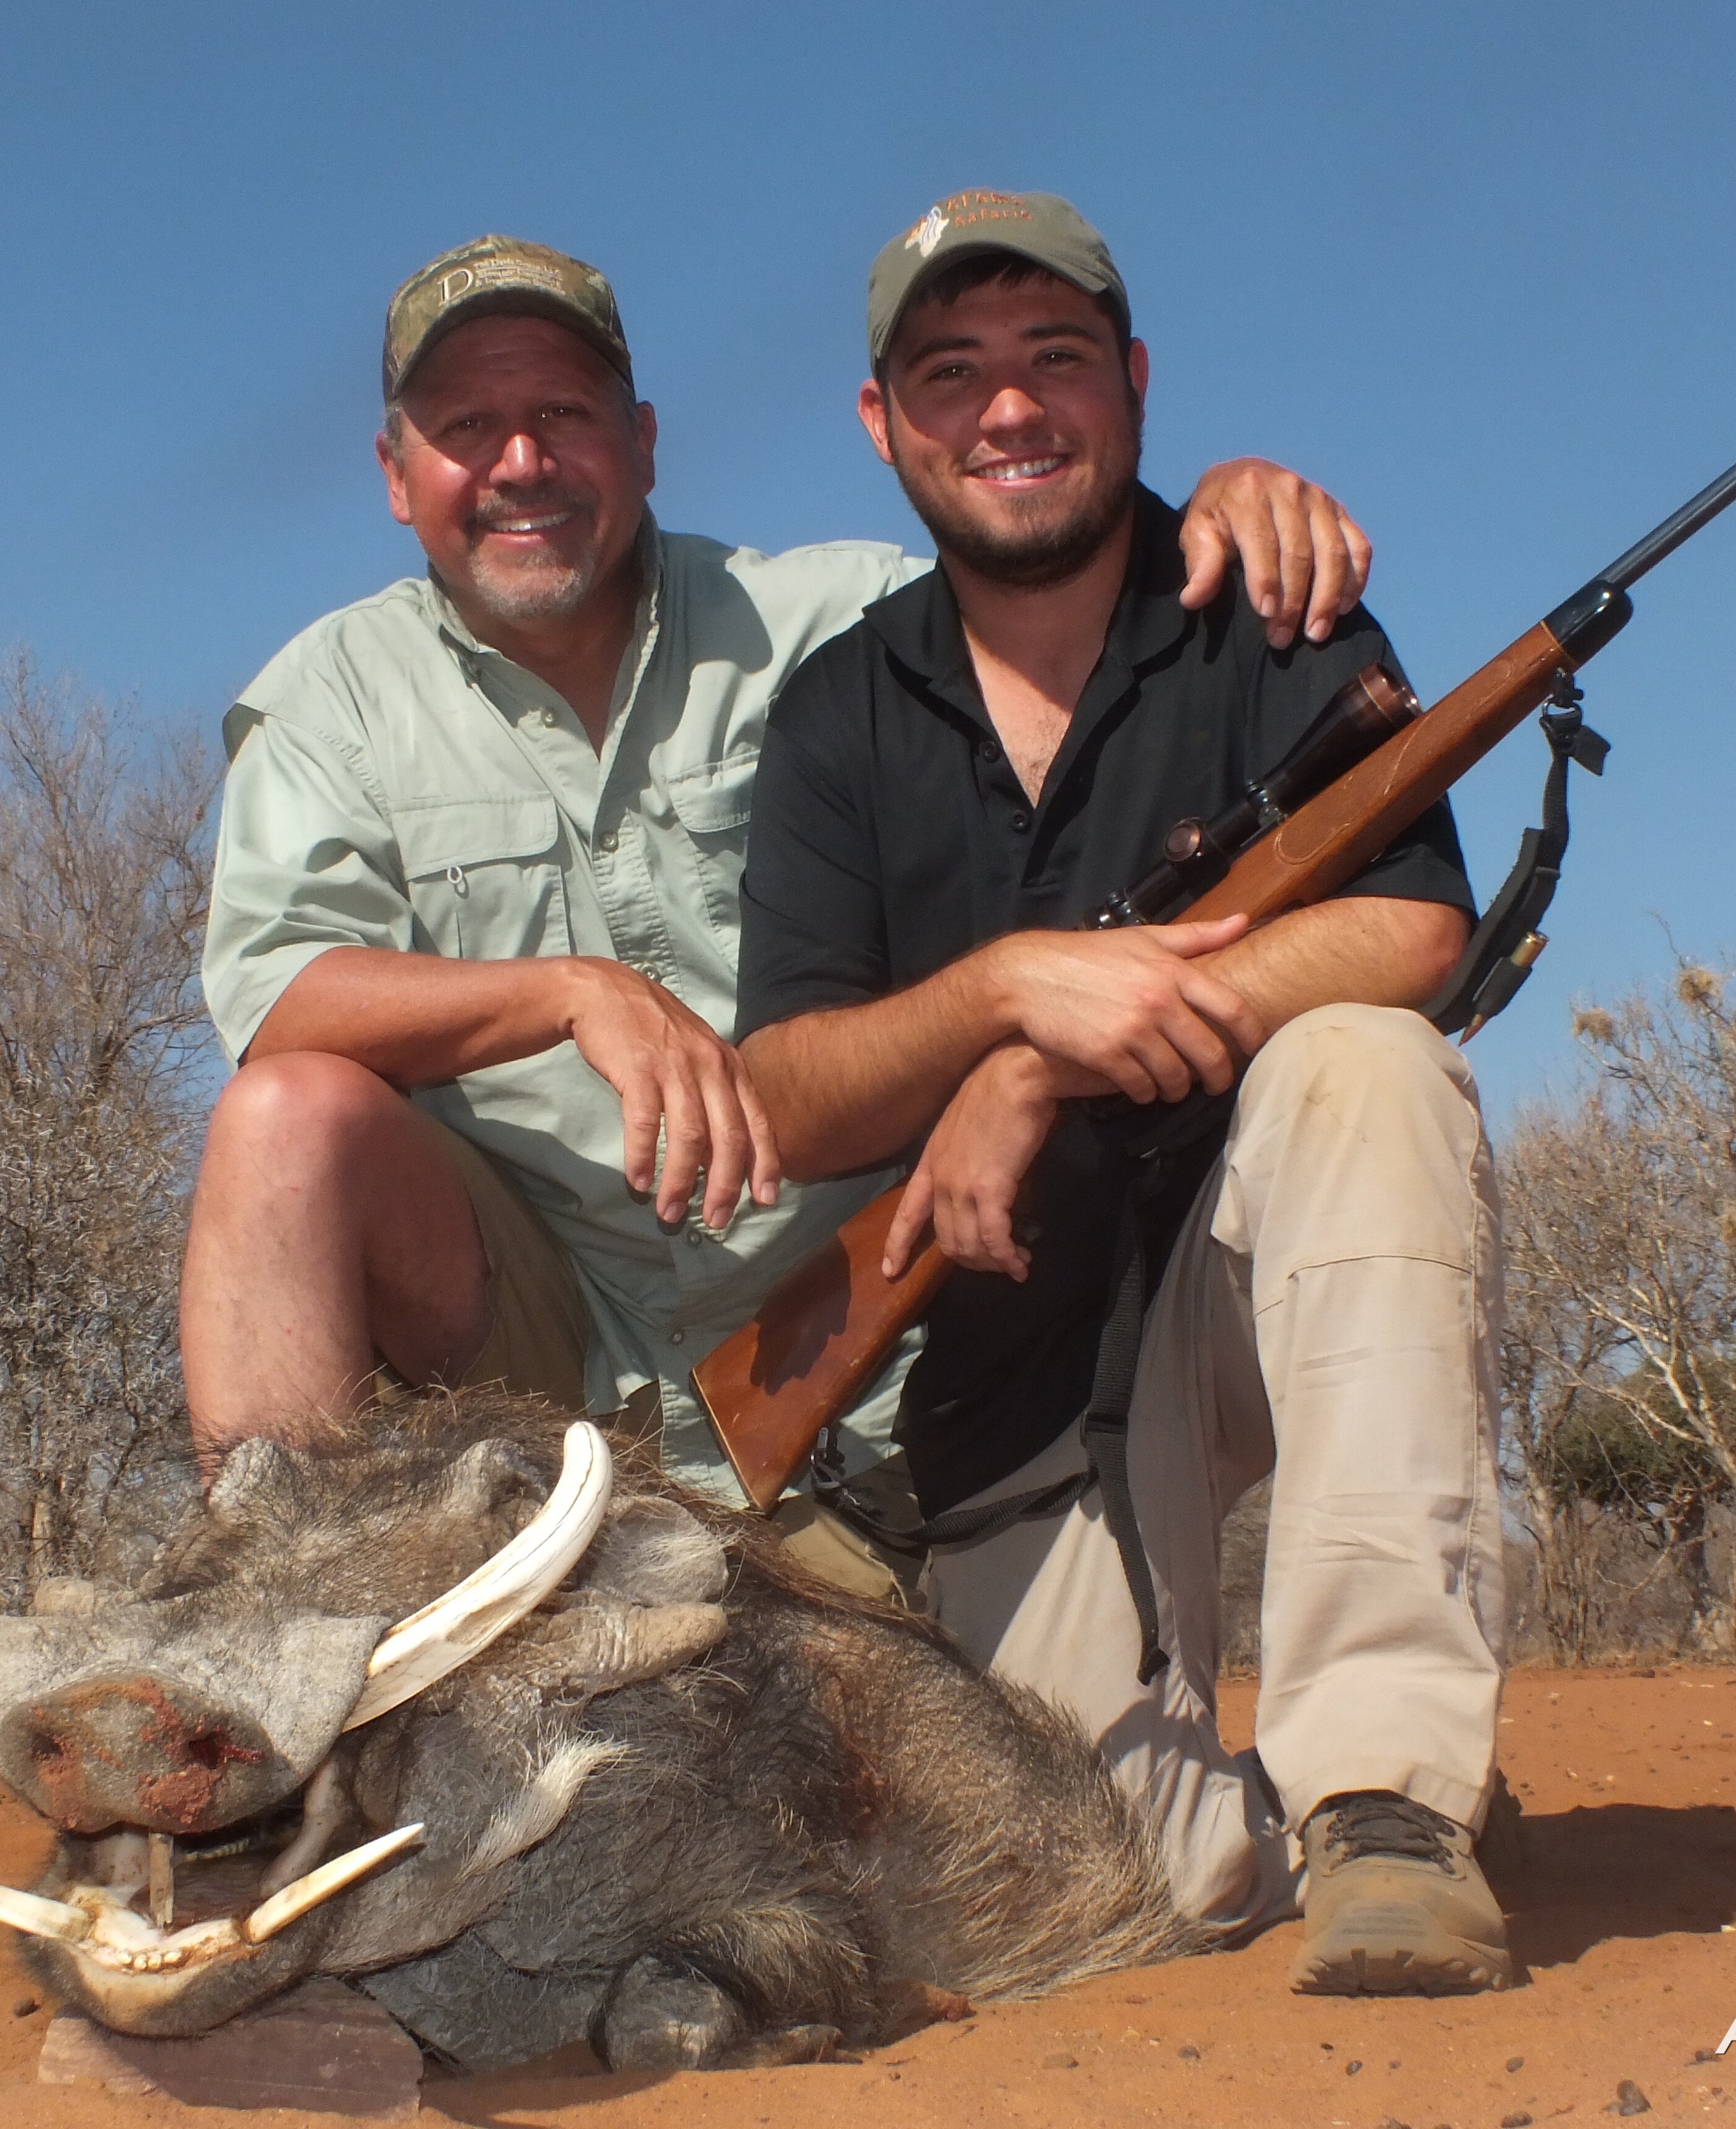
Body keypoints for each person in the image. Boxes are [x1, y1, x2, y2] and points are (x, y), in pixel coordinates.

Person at [184, 230, 1376, 1590]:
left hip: (880, 1337)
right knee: (283, 1118)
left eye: (564, 415)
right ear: (399, 475)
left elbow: (1049, 564)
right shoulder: (328, 695)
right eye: (469, 426)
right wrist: (573, 991)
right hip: (529, 1345)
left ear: (640, 443)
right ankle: (270, 1645)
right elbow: (275, 992)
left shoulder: (843, 615)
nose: (522, 463)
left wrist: (1217, 502)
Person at [733, 190, 1512, 1993]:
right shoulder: (841, 710)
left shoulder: (1279, 609)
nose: (1010, 409)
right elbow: (785, 1096)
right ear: (885, 425)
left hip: (1278, 1282)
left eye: (1056, 360)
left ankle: (1390, 1799)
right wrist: (1010, 1006)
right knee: (1120, 1901)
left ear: (1136, 383)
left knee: (1366, 1070)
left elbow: (1412, 934)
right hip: (1029, 1368)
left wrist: (1054, 1058)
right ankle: (1267, 1801)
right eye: (953, 374)